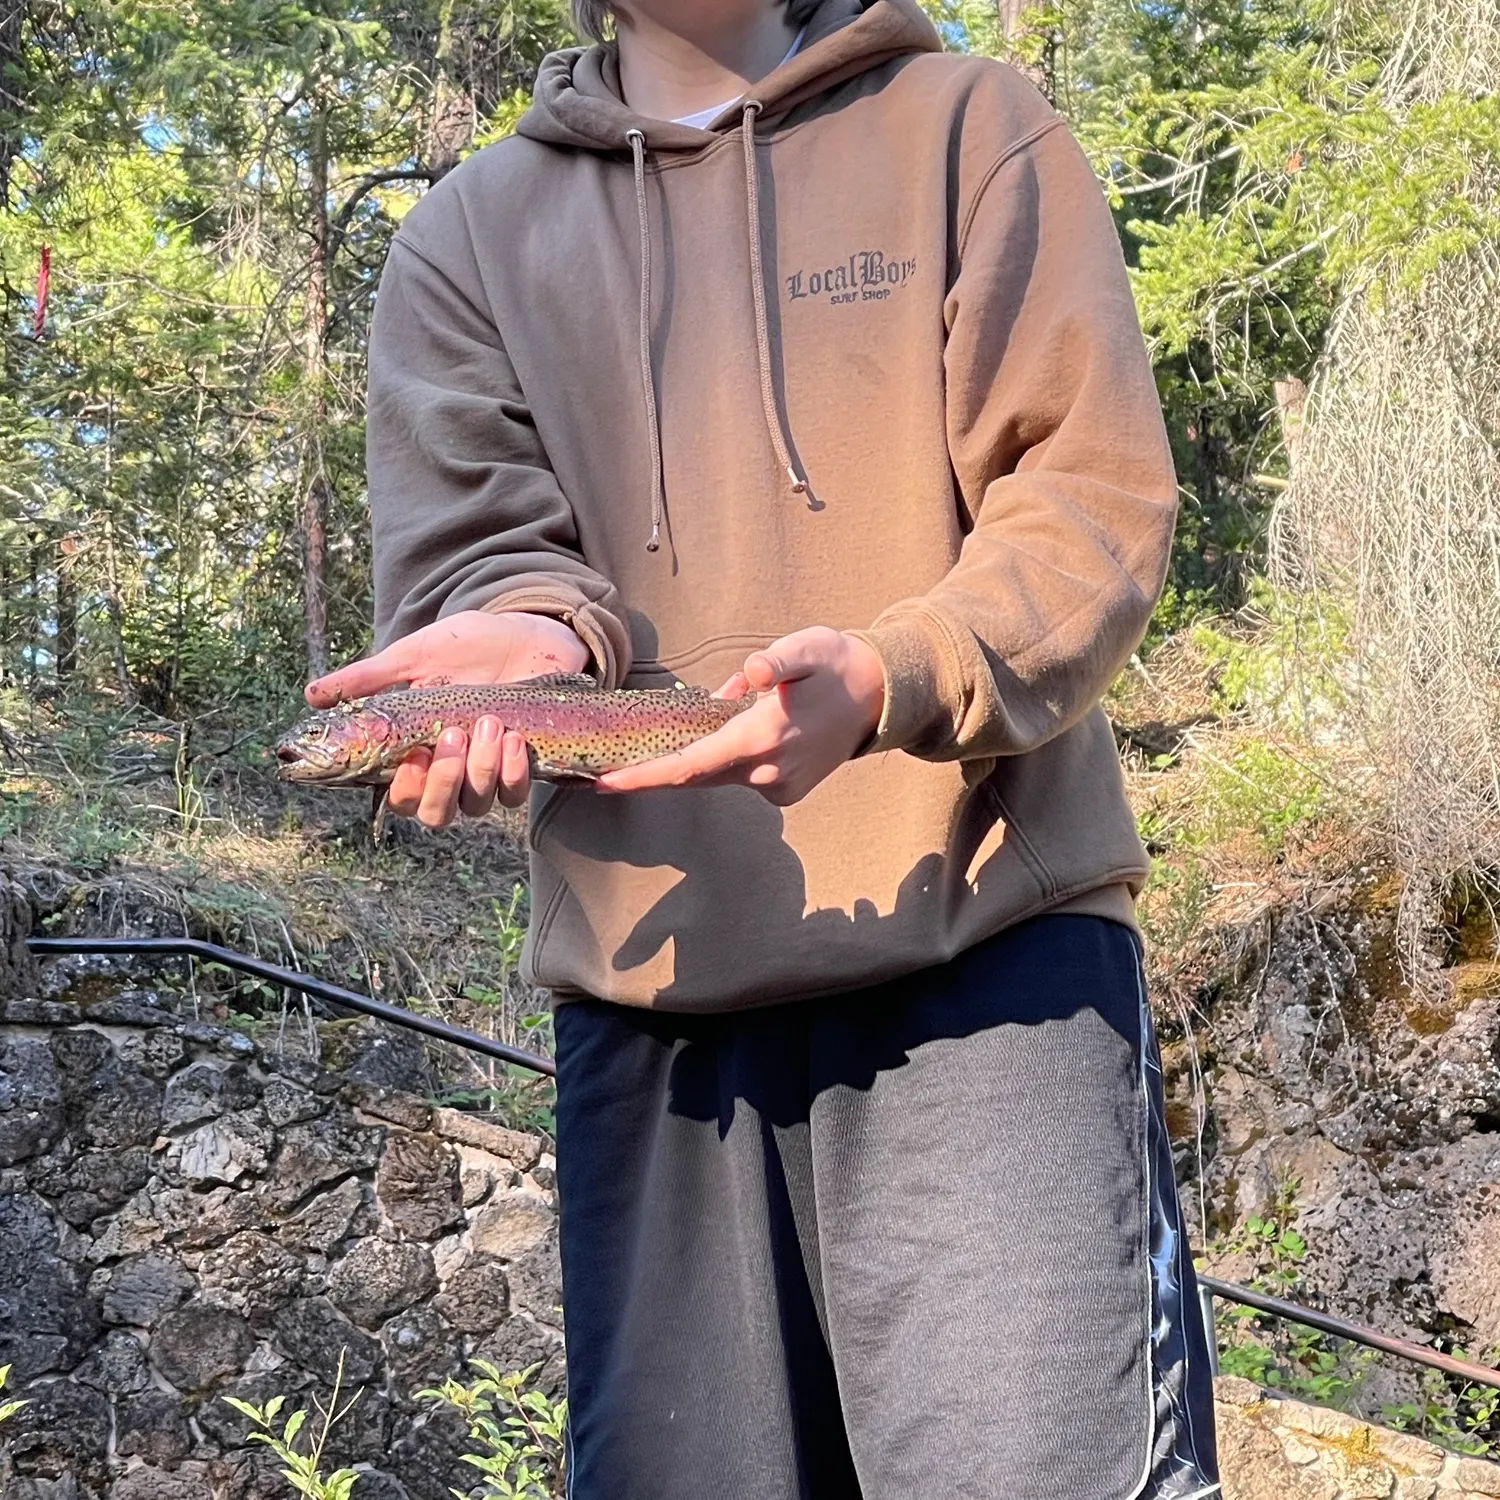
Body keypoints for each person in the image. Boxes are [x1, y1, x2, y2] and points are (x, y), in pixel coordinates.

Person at [306, 1, 1222, 1495]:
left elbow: (1091, 506)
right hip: (654, 1014)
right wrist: (534, 645)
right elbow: (490, 564)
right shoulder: (464, 242)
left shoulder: (972, 131)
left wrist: (890, 676)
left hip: (996, 958)